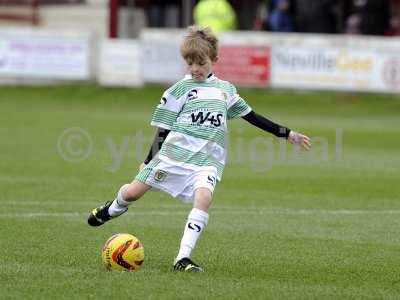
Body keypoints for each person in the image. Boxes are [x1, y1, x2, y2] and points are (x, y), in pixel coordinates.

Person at [87, 26, 311, 272]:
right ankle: (113, 208)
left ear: (214, 60)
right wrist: (148, 160)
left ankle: (182, 259)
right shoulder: (178, 90)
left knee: (204, 198)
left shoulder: (226, 91)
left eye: (201, 63)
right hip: (172, 157)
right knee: (132, 193)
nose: (195, 69)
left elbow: (253, 117)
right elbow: (163, 130)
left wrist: (287, 134)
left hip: (206, 162)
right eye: (190, 63)